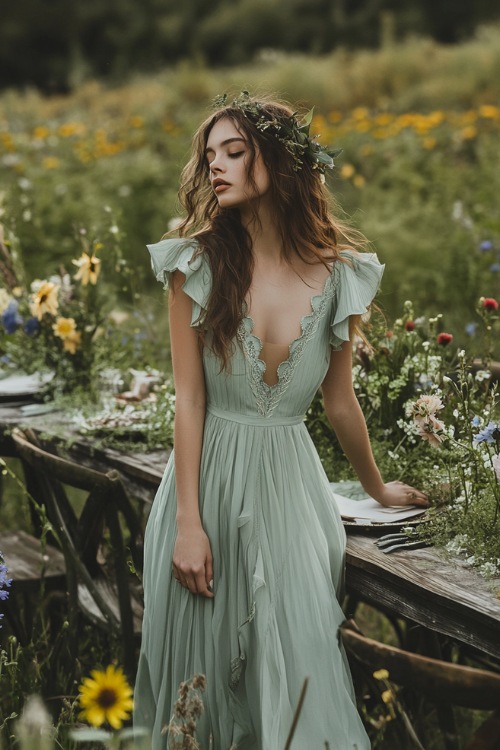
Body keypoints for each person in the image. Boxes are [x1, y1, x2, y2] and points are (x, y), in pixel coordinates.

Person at [134, 93, 428, 749]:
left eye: (234, 152)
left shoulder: (341, 275)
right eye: (210, 155)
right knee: (200, 697)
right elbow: (189, 400)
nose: (217, 167)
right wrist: (187, 525)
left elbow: (340, 400)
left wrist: (378, 489)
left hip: (291, 496)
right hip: (203, 491)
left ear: (283, 160)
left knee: (293, 676)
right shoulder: (195, 266)